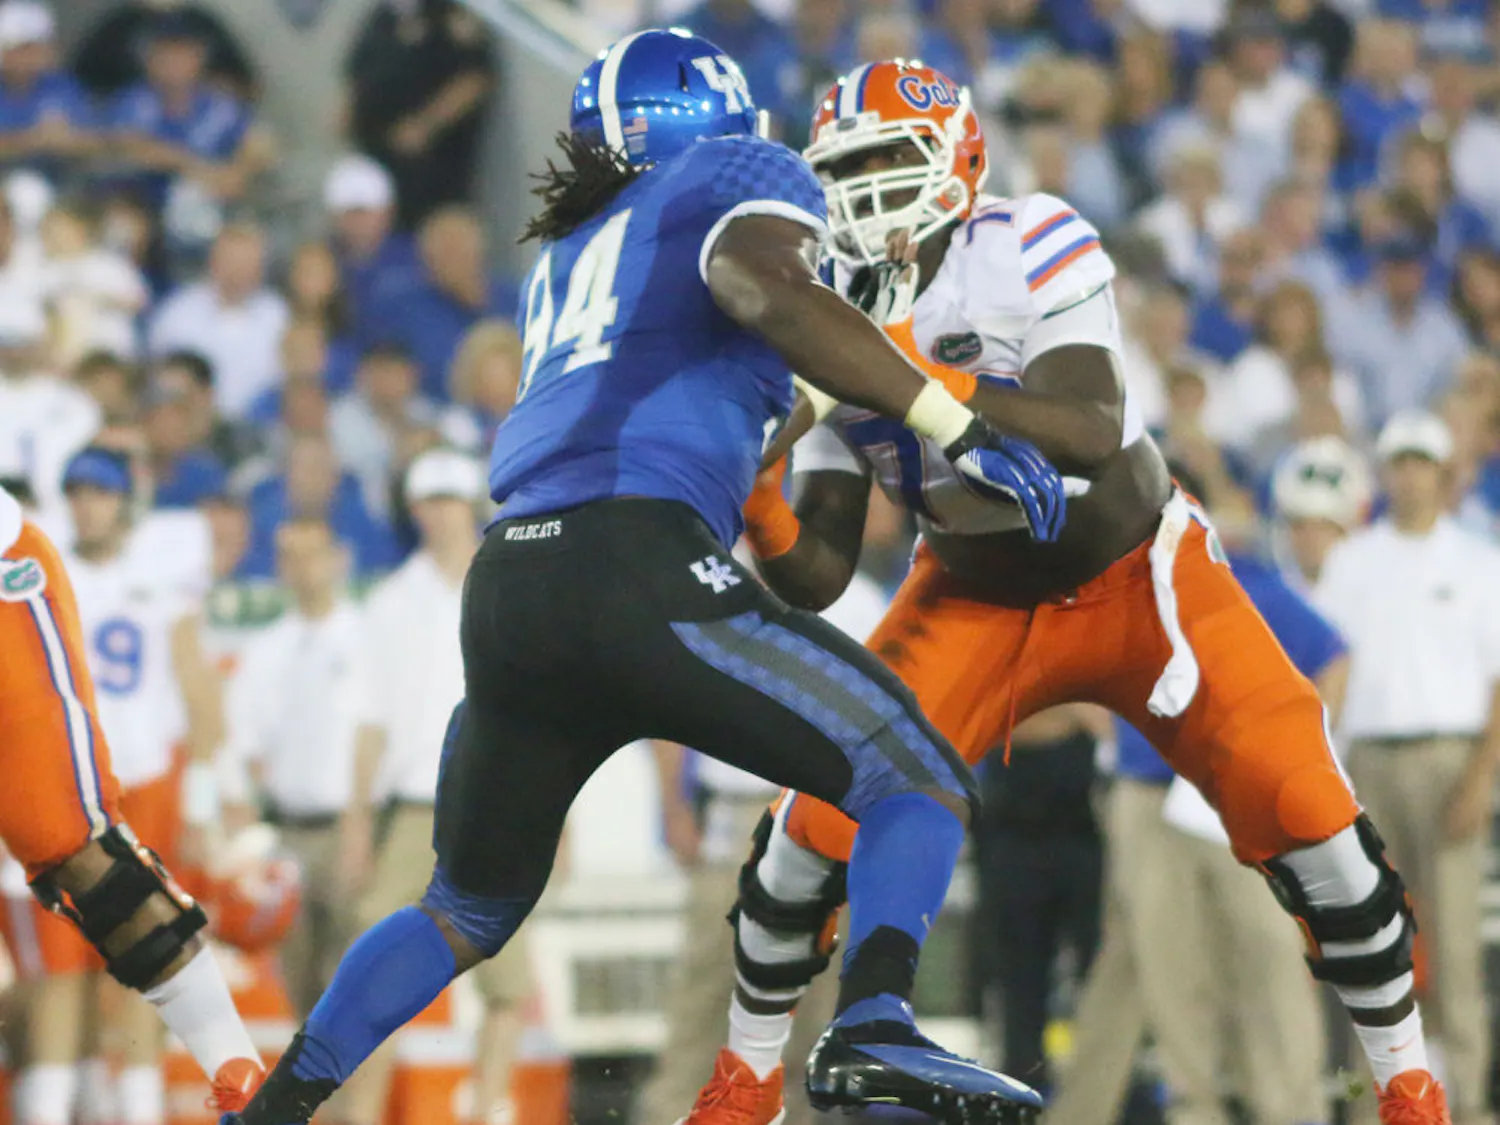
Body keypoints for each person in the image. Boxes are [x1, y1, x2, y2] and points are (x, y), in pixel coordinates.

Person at [226, 29, 1068, 1125]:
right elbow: (756, 281)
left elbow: (786, 532)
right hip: (634, 564)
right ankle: (872, 1025)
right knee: (911, 766)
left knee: (465, 906)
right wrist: (949, 420)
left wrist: (814, 410)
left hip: (517, 585)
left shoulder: (570, 254)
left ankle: (275, 1109)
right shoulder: (730, 179)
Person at [681, 57, 1451, 1125]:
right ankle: (743, 1081)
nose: (861, 194)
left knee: (1312, 816)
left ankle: (1411, 1086)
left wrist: (906, 375)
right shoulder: (831, 307)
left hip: (1138, 570)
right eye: (843, 170)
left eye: (885, 162)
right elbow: (815, 574)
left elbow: (1088, 425)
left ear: (957, 160)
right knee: (810, 829)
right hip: (972, 589)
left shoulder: (1028, 236)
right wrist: (764, 495)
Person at [1046, 462, 1347, 1125]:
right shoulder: (1110, 587)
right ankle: (1195, 1108)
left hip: (1229, 795)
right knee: (1164, 967)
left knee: (1266, 953)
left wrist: (1293, 761)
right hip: (1147, 798)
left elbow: (1329, 655)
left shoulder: (1235, 579)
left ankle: (1291, 1109)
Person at [0, 473, 264, 1112]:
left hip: (8, 588)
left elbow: (197, 693)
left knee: (78, 852)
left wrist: (211, 790)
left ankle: (250, 1086)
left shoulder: (153, 573)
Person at [1314, 411, 1500, 1125]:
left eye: (1422, 461)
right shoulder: (1353, 562)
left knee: (1454, 945)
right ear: (1385, 472)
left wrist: (1481, 776)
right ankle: (1377, 1109)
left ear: (1444, 472)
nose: (1411, 474)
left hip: (1450, 755)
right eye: (1400, 462)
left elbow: (1494, 683)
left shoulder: (1475, 561)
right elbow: (1325, 667)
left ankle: (1473, 1103)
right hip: (1368, 760)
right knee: (1373, 949)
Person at [335, 449, 529, 1125]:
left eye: (451, 499)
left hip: (497, 802)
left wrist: (557, 812)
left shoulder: (509, 584)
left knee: (509, 982)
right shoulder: (390, 601)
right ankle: (359, 1114)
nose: (442, 513)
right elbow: (369, 720)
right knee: (371, 972)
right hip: (416, 807)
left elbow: (540, 709)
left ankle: (491, 1107)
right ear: (415, 510)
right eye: (431, 501)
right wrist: (357, 822)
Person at [221, 517, 363, 1017]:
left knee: (356, 974)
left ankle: (354, 1097)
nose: (302, 568)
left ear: (338, 559)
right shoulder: (266, 650)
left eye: (312, 553)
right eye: (290, 556)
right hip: (290, 830)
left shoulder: (367, 639)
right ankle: (319, 1096)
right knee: (302, 984)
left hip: (351, 826)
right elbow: (240, 741)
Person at [342, 0, 494, 231]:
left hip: (428, 167)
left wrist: (426, 124)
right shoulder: (384, 14)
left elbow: (474, 79)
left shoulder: (451, 14)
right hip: (375, 155)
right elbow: (359, 65)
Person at [147, 224, 290, 420]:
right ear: (213, 262)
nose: (238, 270)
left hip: (260, 427)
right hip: (191, 425)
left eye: (247, 263)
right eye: (231, 261)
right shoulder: (178, 314)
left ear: (260, 268)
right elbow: (161, 379)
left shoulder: (279, 316)